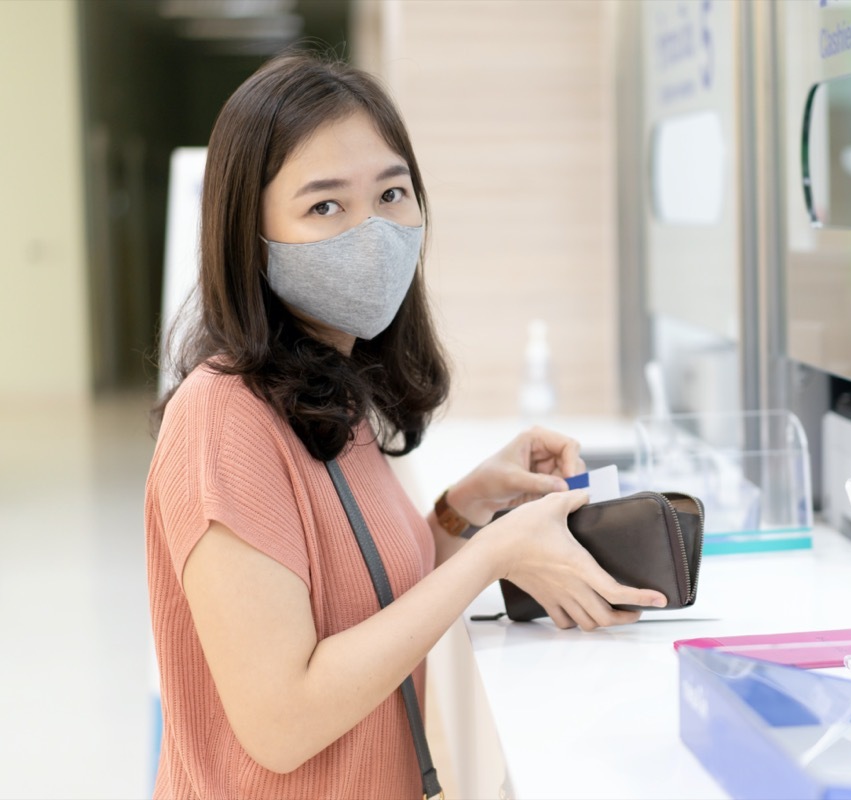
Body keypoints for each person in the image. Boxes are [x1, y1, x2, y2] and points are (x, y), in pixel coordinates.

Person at [145, 51, 666, 799]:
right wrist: (488, 561)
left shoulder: (327, 390)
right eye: (325, 205)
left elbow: (355, 598)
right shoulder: (222, 418)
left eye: (392, 193)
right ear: (248, 235)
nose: (374, 232)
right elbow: (282, 721)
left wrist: (464, 511)